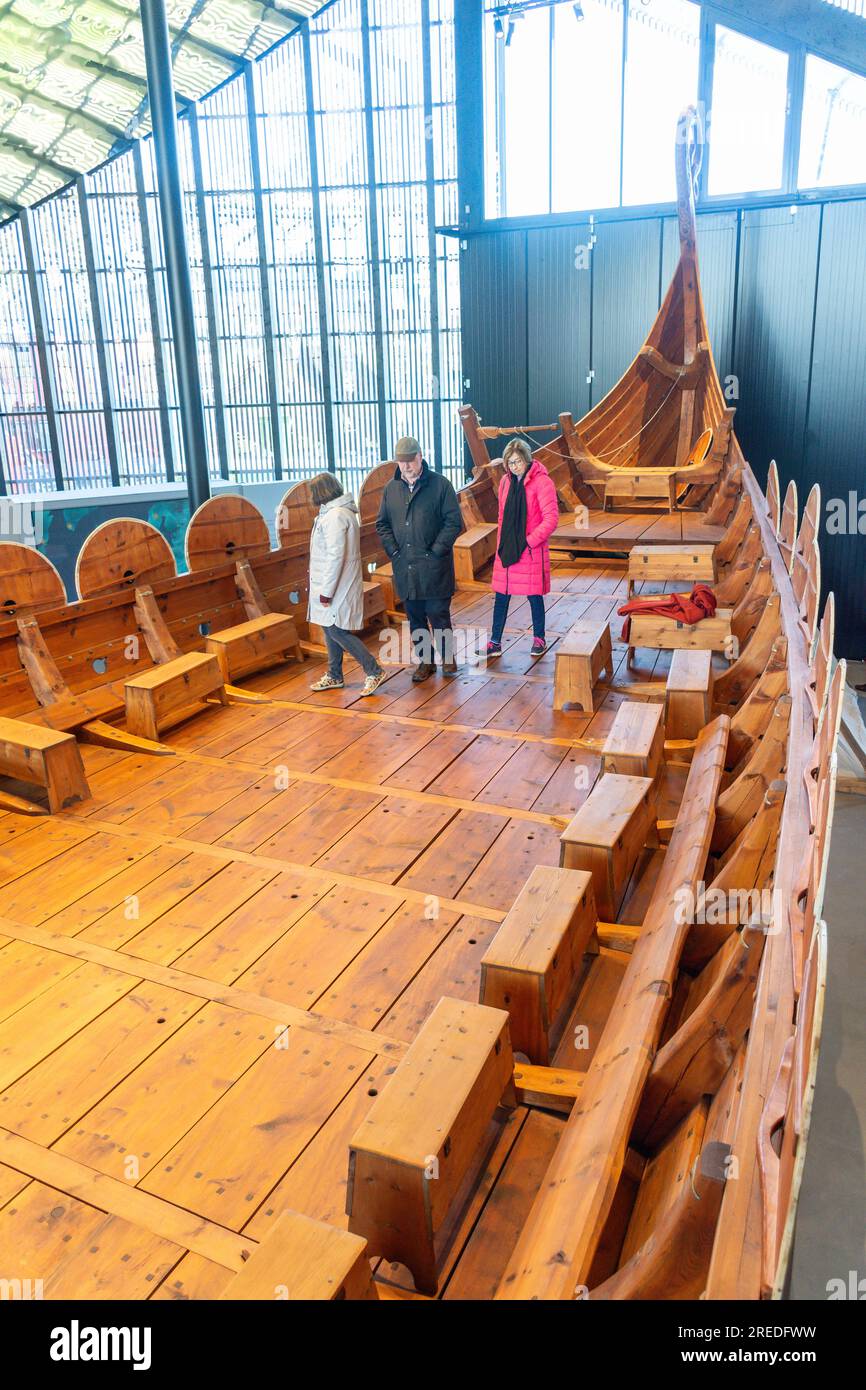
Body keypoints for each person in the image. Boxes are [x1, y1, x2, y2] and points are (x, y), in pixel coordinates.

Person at [376, 436, 463, 684]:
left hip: (435, 565)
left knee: (437, 612)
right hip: (405, 565)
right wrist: (393, 550)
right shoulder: (391, 489)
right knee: (415, 616)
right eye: (400, 462)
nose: (405, 466)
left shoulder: (440, 485)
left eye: (409, 461)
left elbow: (453, 522)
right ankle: (425, 662)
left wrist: (437, 550)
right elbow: (382, 523)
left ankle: (447, 657)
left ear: (420, 457)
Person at [307, 473, 387, 696]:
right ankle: (334, 674)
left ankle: (374, 669)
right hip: (333, 582)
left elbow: (335, 556)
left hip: (335, 584)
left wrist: (326, 591)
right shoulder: (337, 513)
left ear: (321, 493)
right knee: (328, 626)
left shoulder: (335, 516)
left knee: (336, 629)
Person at [487, 437, 559, 659]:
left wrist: (529, 541)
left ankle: (539, 638)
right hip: (507, 548)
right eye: (510, 462)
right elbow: (501, 516)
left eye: (518, 461)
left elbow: (551, 519)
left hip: (529, 549)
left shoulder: (543, 482)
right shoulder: (505, 483)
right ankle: (495, 641)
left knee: (534, 595)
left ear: (527, 460)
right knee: (501, 595)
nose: (514, 466)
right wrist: (501, 543)